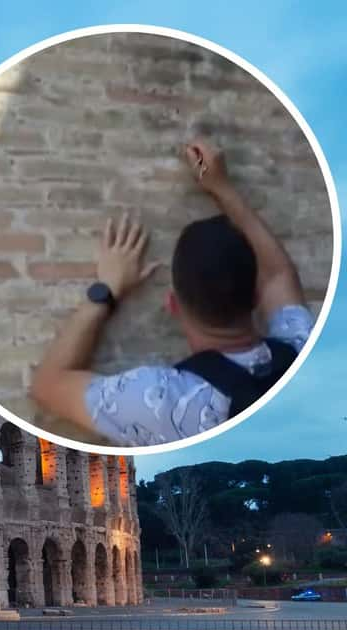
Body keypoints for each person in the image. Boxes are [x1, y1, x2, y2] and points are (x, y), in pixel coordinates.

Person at [29, 138, 312, 446]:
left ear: (173, 304)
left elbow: (48, 385)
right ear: (256, 297)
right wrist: (223, 188)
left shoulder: (162, 402)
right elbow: (278, 273)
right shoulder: (300, 348)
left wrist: (106, 289)